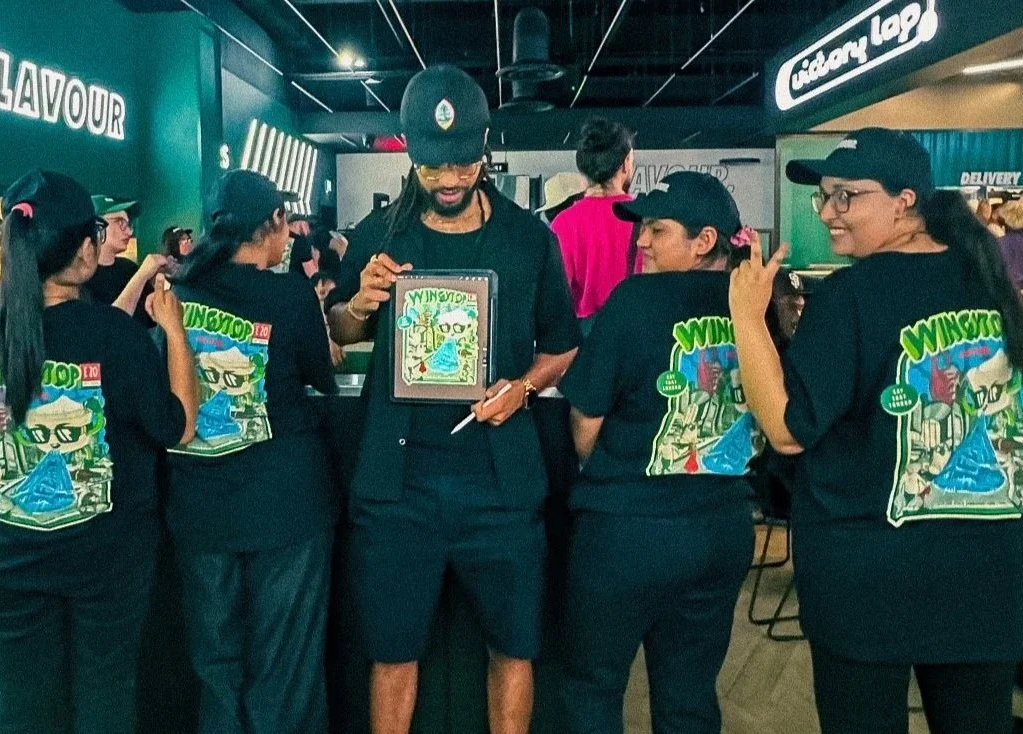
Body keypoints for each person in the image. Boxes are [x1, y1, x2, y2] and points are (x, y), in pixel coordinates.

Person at [729, 128, 1023, 734]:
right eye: (825, 196)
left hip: (869, 584)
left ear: (905, 202)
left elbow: (788, 430)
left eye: (846, 196)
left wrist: (747, 315)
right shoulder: (987, 279)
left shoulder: (849, 296)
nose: (827, 212)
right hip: (987, 577)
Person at [325, 64, 580, 734]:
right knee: (392, 654)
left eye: (463, 162)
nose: (449, 178)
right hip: (397, 487)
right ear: (410, 151)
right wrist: (360, 303)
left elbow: (563, 345)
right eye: (433, 164)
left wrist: (523, 388)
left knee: (514, 648)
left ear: (484, 147)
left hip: (501, 485)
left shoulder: (529, 239)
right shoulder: (379, 235)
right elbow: (340, 330)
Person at [0, 170, 199, 734]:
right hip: (106, 558)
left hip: (2, 559)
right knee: (105, 696)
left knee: (20, 701)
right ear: (84, 249)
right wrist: (175, 332)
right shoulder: (114, 333)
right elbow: (177, 427)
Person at [559, 172, 763, 734]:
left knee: (593, 689)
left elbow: (585, 417)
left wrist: (605, 469)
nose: (642, 242)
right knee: (689, 697)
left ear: (704, 241)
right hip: (721, 527)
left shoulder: (634, 300)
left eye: (657, 229)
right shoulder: (754, 305)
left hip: (627, 530)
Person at [164, 170, 339, 733]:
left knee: (216, 670)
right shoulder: (288, 294)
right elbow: (321, 375)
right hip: (285, 504)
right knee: (284, 672)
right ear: (274, 222)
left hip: (200, 509)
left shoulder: (177, 295)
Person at [550, 118, 640, 332]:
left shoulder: (564, 223)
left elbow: (555, 301)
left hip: (586, 339)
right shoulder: (647, 217)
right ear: (626, 163)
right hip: (637, 334)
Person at [84, 195, 172, 327]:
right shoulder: (82, 278)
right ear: (97, 227)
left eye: (128, 224)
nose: (129, 232)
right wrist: (142, 274)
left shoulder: (129, 267)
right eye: (120, 222)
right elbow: (108, 327)